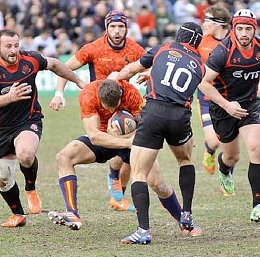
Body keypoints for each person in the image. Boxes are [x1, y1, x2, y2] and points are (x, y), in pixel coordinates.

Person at [48, 79, 201, 237]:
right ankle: (72, 212)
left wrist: (128, 139)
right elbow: (94, 136)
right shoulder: (88, 95)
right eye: (109, 108)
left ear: (121, 94)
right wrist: (122, 141)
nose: (113, 110)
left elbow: (146, 126)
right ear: (100, 100)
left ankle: (184, 222)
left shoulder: (131, 93)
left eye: (117, 105)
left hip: (132, 142)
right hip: (104, 139)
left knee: (158, 183)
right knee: (64, 157)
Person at [0, 28, 86, 228]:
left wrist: (77, 80)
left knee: (25, 154)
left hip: (29, 120)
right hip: (0, 128)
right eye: (8, 46)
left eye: (16, 46)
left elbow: (54, 64)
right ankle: (17, 214)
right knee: (3, 178)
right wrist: (9, 97)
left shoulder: (30, 60)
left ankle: (31, 188)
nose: (13, 51)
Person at [198, 9, 260, 221]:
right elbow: (204, 84)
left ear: (254, 29)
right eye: (239, 28)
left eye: (248, 28)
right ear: (233, 29)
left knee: (256, 149)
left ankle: (257, 206)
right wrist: (226, 105)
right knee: (232, 157)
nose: (244, 33)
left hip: (250, 106)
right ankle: (223, 169)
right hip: (223, 109)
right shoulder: (222, 52)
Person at [116, 22, 205, 245]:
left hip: (154, 112)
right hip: (180, 116)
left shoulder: (162, 49)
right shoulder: (199, 64)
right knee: (185, 160)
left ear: (179, 35)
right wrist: (153, 74)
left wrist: (111, 81)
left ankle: (143, 230)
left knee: (138, 173)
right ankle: (186, 214)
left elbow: (130, 70)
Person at [49, 10, 146, 211]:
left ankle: (117, 190)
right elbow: (65, 68)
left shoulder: (135, 49)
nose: (117, 31)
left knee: (129, 154)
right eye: (113, 26)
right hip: (98, 109)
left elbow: (153, 68)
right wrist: (59, 93)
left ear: (126, 28)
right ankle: (112, 178)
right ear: (106, 28)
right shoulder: (94, 48)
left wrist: (150, 74)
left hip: (124, 107)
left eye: (121, 27)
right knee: (114, 146)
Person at [196, 4, 232, 175]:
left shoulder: (234, 41)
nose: (204, 24)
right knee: (214, 141)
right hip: (206, 98)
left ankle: (227, 177)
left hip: (229, 98)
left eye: (207, 20)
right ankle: (209, 151)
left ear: (218, 23)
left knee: (228, 144)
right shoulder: (202, 42)